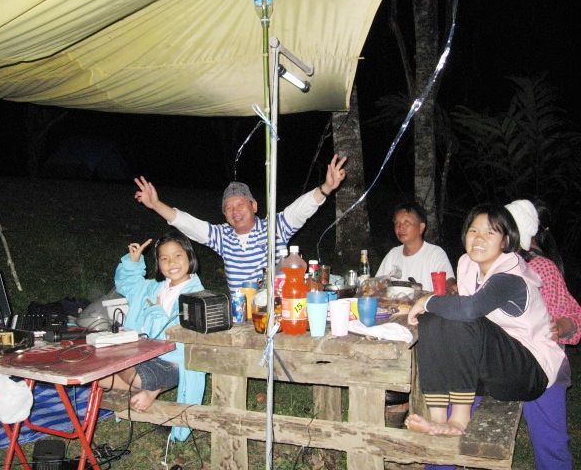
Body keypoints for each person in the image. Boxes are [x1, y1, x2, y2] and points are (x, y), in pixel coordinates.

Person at [404, 204, 566, 436]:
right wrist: (429, 309)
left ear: (506, 240)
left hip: (530, 370)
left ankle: (459, 420)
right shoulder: (468, 265)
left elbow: (471, 309)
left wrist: (425, 300)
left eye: (490, 232)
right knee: (431, 320)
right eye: (473, 230)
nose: (479, 238)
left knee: (464, 319)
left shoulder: (511, 275)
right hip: (491, 369)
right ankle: (438, 417)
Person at [134, 154, 347, 294]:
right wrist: (156, 205)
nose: (235, 211)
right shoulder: (222, 236)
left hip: (277, 310)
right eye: (228, 208)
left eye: (240, 204)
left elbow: (300, 209)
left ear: (254, 206)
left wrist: (326, 188)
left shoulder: (275, 227)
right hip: (241, 314)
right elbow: (187, 223)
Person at [98, 230, 205, 442]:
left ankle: (152, 389)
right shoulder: (153, 288)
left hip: (172, 363)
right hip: (143, 356)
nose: (171, 262)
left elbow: (173, 335)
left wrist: (155, 311)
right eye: (164, 258)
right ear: (158, 263)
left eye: (177, 255)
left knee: (128, 370)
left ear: (189, 256)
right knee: (98, 376)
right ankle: (148, 387)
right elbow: (128, 285)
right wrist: (133, 262)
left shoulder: (196, 296)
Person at [506, 199, 579, 470]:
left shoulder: (543, 268)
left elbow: (572, 316)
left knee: (551, 442)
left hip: (542, 363)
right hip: (506, 359)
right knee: (459, 407)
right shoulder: (497, 264)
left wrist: (562, 326)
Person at [375, 202, 457, 293]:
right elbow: (377, 284)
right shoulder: (393, 254)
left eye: (407, 223)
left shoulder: (435, 253)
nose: (400, 228)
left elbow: (448, 280)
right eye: (397, 223)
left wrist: (450, 287)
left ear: (421, 227)